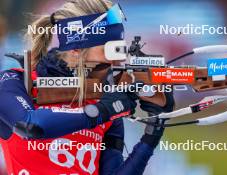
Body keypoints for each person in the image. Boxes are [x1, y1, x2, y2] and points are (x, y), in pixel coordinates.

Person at [0, 0, 174, 175]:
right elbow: (30, 126)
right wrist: (102, 111)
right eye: (110, 50)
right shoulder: (14, 81)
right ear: (76, 48)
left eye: (120, 50)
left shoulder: (104, 101)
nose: (117, 61)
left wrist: (153, 131)